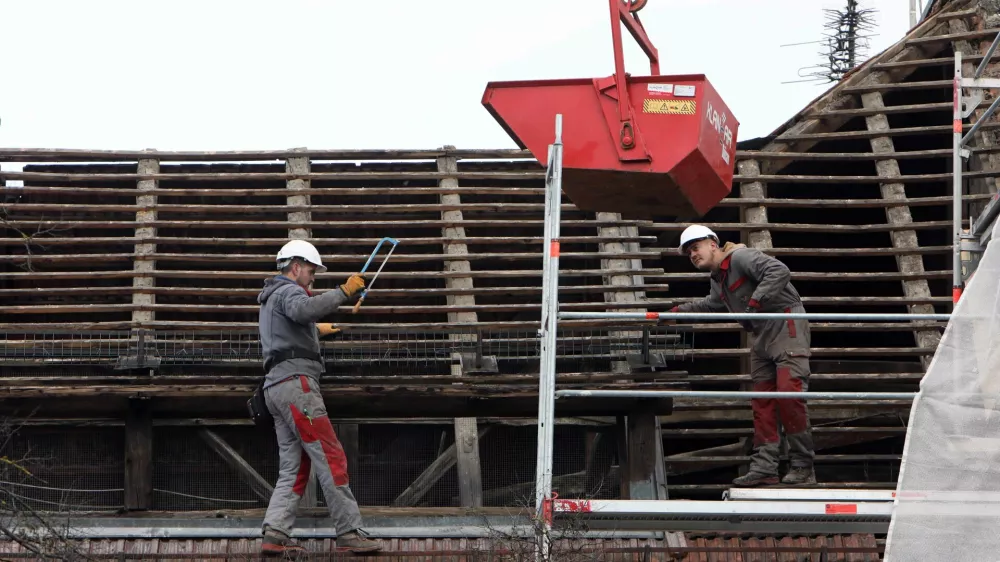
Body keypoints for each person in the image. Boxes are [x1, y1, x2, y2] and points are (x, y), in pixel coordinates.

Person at [256, 239, 382, 556]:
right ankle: (349, 532)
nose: (313, 278)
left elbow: (294, 324)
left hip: (275, 389)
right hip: (298, 388)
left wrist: (321, 329)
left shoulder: (270, 298)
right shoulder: (288, 291)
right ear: (296, 267)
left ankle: (275, 533)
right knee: (330, 457)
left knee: (294, 466)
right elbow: (304, 309)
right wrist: (343, 293)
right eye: (311, 271)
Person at [669, 225, 817, 487]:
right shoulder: (718, 278)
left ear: (713, 244)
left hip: (785, 323)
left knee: (789, 393)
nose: (692, 254)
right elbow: (712, 305)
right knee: (762, 402)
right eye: (689, 252)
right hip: (760, 334)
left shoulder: (741, 257)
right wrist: (677, 312)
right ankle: (765, 468)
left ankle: (803, 467)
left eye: (695, 247)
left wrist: (755, 304)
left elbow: (779, 271)